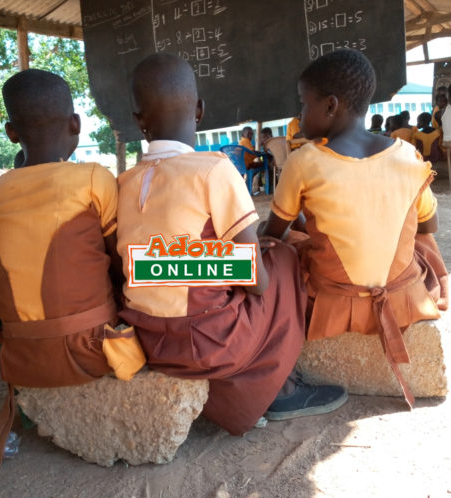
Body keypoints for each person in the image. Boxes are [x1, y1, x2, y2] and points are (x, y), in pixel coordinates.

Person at [116, 53, 348, 436]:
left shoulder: (123, 183)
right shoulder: (213, 168)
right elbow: (256, 281)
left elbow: (149, 262)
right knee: (285, 258)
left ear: (139, 120)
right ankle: (282, 387)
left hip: (149, 342)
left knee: (234, 264)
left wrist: (221, 256)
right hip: (207, 344)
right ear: (200, 111)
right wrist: (249, 253)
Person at [259, 49, 449, 407]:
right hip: (401, 299)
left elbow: (274, 233)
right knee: (419, 242)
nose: (300, 115)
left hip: (332, 302)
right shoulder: (408, 156)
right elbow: (429, 224)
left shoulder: (303, 161)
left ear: (331, 106)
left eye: (304, 104)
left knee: (276, 250)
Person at [0, 69, 145, 467]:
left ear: (10, 133)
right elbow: (118, 259)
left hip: (23, 357)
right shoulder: (94, 177)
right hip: (91, 350)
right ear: (76, 124)